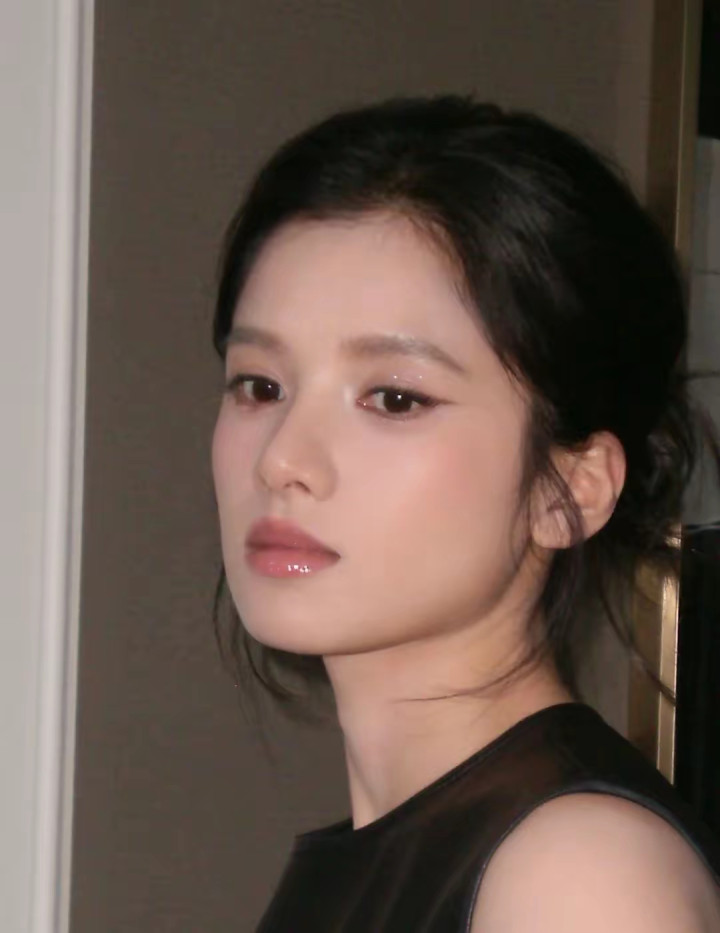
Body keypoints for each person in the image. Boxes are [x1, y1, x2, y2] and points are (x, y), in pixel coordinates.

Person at [210, 95, 720, 931]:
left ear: (570, 487)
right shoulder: (393, 849)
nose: (281, 459)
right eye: (260, 385)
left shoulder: (580, 876)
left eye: (394, 398)